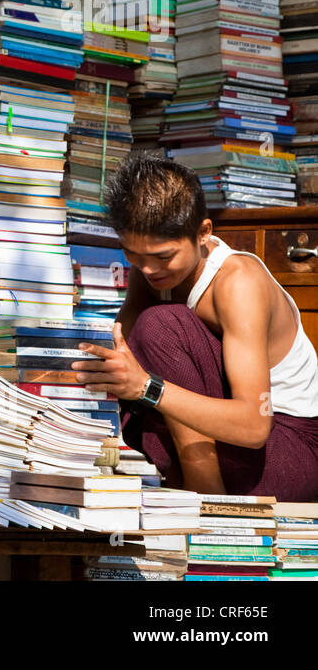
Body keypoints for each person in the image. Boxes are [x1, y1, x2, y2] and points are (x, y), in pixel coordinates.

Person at [74, 153, 318, 501]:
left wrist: (145, 387)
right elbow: (122, 349)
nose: (148, 269)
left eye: (163, 256)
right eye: (133, 255)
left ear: (203, 233)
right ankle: (196, 490)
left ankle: (208, 504)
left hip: (288, 452)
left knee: (161, 325)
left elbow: (253, 427)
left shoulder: (237, 283)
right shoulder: (152, 271)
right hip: (225, 447)